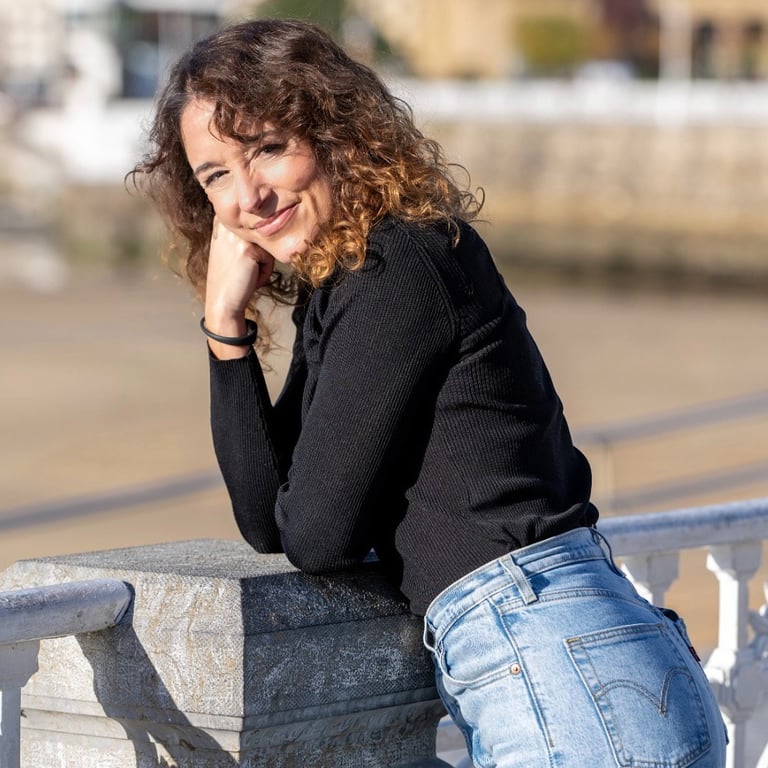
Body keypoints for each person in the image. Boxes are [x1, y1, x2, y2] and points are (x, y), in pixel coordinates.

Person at [132, 18, 726, 767]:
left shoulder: (397, 268)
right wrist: (225, 328)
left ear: (334, 133)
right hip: (573, 671)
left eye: (268, 148)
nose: (247, 194)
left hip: (567, 682)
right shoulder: (353, 284)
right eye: (216, 174)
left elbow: (318, 536)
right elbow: (269, 520)